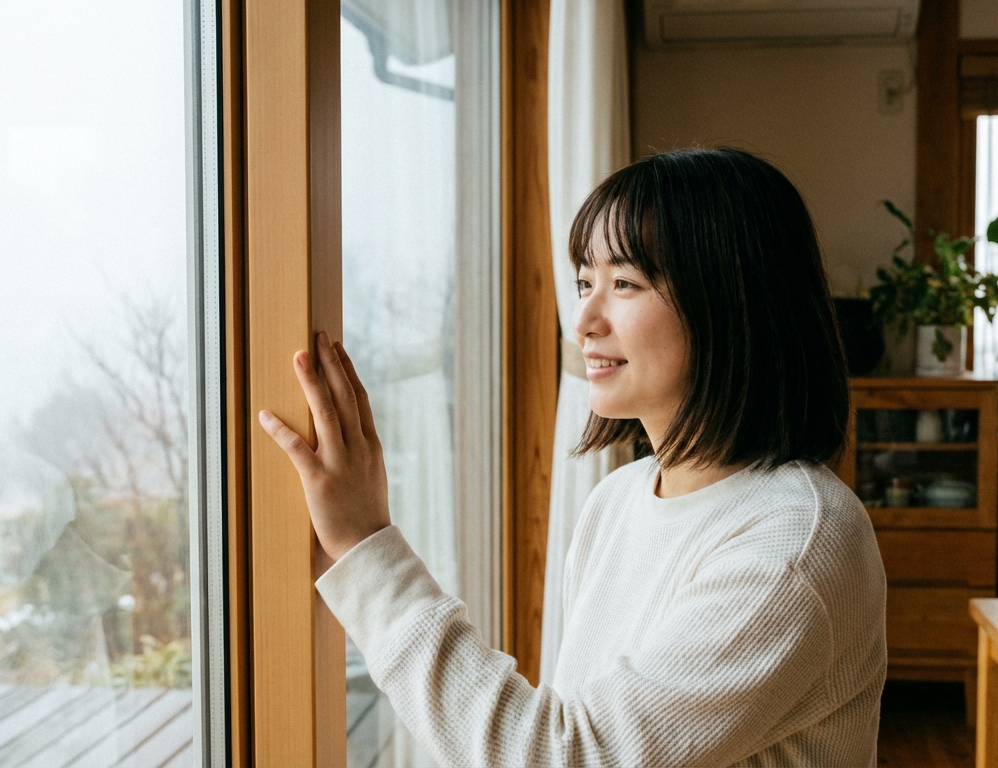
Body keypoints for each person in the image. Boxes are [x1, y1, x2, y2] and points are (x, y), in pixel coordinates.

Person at [259, 147, 887, 767]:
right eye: (586, 281)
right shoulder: (617, 500)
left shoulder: (796, 542)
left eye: (625, 283)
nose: (584, 318)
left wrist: (367, 544)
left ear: (733, 303)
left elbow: (567, 756)